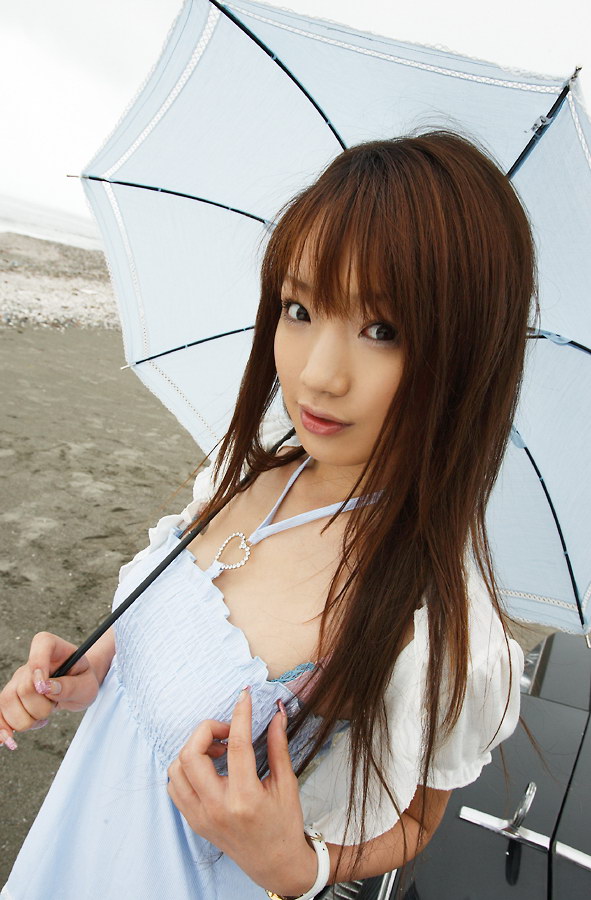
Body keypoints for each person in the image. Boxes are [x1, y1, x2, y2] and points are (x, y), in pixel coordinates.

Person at [0, 131, 532, 900]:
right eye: (299, 308)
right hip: (72, 840)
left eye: (382, 330)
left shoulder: (436, 624)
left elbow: (419, 817)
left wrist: (303, 867)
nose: (316, 375)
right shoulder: (245, 469)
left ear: (466, 352)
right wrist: (97, 669)